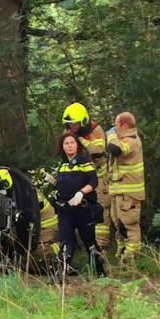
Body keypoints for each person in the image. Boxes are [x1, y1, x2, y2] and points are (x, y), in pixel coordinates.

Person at [52, 132, 106, 277]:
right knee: (65, 241)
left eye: (72, 143)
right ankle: (60, 275)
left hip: (83, 208)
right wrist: (54, 183)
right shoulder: (62, 165)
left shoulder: (85, 161)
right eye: (66, 143)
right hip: (65, 210)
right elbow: (63, 185)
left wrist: (81, 192)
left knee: (89, 242)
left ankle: (100, 272)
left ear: (77, 145)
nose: (69, 146)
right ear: (62, 147)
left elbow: (93, 182)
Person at [62, 102, 110, 248]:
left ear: (83, 121)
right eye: (69, 124)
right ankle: (79, 245)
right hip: (78, 179)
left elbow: (99, 149)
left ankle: (101, 248)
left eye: (74, 124)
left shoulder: (95, 130)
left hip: (99, 178)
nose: (72, 127)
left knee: (101, 210)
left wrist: (80, 141)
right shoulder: (68, 132)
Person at [106, 112, 145, 261]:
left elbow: (115, 149)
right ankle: (122, 254)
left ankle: (131, 258)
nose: (114, 128)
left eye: (116, 124)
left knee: (129, 225)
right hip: (119, 191)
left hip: (129, 193)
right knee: (118, 224)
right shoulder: (123, 139)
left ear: (123, 125)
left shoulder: (132, 140)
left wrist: (110, 135)